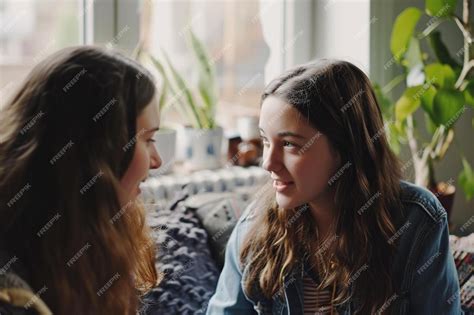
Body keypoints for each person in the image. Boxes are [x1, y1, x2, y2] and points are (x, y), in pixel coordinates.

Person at [207, 60, 462, 314]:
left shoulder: (417, 223)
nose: (268, 163)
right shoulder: (254, 226)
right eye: (265, 141)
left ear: (344, 147)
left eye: (289, 144)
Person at [0, 46, 162, 314]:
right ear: (97, 150)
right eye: (148, 139)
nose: (156, 161)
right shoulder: (12, 295)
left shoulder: (71, 239)